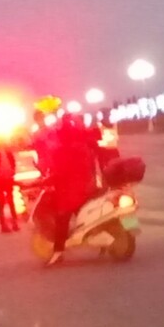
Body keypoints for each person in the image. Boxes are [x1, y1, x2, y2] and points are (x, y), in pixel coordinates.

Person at [46, 114, 99, 266]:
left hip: (68, 192)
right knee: (85, 216)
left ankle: (58, 252)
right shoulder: (83, 148)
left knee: (61, 221)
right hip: (85, 188)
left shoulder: (61, 152)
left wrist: (47, 180)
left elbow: (59, 172)